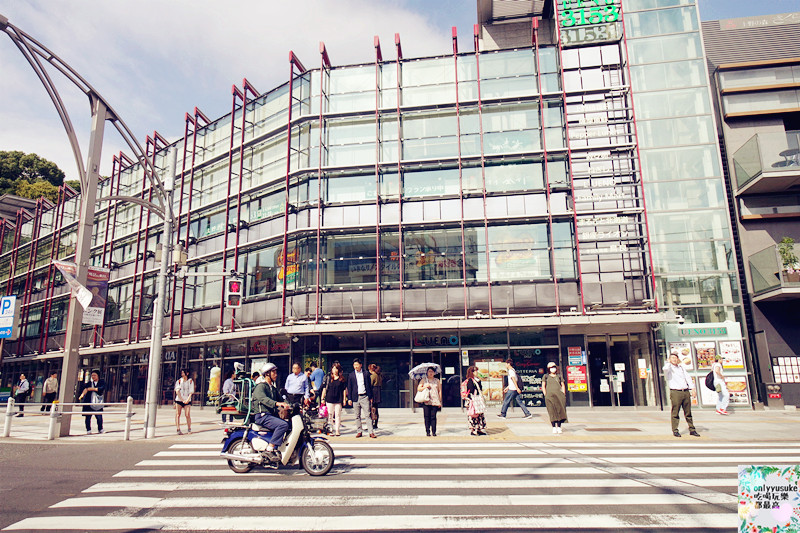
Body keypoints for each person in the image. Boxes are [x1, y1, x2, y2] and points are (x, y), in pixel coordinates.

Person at [252, 362, 291, 460]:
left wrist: (290, 405)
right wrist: (277, 404)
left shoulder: (272, 388)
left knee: (290, 425)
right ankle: (270, 449)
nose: (276, 374)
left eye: (275, 372)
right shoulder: (261, 387)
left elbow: (282, 400)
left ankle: (280, 448)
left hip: (270, 416)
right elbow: (264, 399)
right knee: (283, 425)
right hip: (262, 415)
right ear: (267, 374)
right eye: (273, 372)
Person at [663, 353, 700, 437]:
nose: (674, 359)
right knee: (675, 412)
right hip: (676, 392)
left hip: (685, 391)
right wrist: (668, 362)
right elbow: (665, 368)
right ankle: (675, 430)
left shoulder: (681, 368)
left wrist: (692, 389)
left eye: (675, 358)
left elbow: (688, 378)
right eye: (672, 358)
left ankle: (692, 429)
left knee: (688, 412)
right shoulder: (669, 368)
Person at [346, 358, 376, 438]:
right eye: (354, 365)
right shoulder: (351, 375)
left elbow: (369, 386)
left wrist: (370, 397)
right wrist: (349, 398)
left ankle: (371, 432)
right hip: (355, 397)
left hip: (364, 396)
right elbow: (349, 387)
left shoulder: (366, 374)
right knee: (357, 415)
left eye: (357, 365)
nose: (355, 366)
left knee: (367, 414)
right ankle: (359, 431)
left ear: (360, 365)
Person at [321, 362, 346, 436]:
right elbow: (325, 388)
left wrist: (344, 399)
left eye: (336, 368)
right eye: (333, 368)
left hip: (338, 399)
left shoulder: (342, 379)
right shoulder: (329, 378)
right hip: (329, 399)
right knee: (330, 415)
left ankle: (337, 430)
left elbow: (344, 389)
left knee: (338, 415)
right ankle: (330, 430)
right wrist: (322, 398)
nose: (335, 370)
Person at [542, 362, 568, 434]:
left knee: (560, 411)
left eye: (554, 367)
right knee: (551, 411)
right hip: (549, 397)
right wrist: (545, 394)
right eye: (551, 367)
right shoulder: (546, 376)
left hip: (559, 396)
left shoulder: (559, 376)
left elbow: (563, 385)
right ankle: (553, 427)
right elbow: (543, 385)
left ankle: (559, 427)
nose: (553, 369)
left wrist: (563, 393)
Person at [417, 366, 442, 437]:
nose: (430, 373)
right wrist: (425, 386)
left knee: (433, 417)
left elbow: (439, 391)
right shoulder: (424, 380)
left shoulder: (437, 380)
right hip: (426, 401)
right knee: (427, 417)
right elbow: (419, 388)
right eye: (429, 371)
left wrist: (440, 401)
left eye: (432, 371)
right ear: (427, 372)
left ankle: (434, 431)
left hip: (435, 401)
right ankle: (427, 431)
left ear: (434, 373)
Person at [465, 366, 486, 436]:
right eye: (475, 371)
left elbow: (480, 388)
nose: (477, 372)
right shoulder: (470, 380)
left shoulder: (477, 380)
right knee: (473, 414)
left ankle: (479, 429)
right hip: (472, 400)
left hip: (477, 400)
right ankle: (473, 430)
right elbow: (470, 390)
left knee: (479, 414)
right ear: (472, 372)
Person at [174, 369, 195, 434]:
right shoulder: (179, 381)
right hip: (179, 400)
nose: (182, 374)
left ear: (187, 373)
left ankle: (189, 429)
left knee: (187, 414)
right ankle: (178, 429)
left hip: (187, 399)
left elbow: (191, 392)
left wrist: (188, 399)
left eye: (183, 373)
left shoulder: (190, 381)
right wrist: (182, 400)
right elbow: (177, 391)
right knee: (178, 414)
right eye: (182, 373)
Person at [368, 364, 382, 430]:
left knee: (372, 409)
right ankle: (375, 423)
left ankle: (372, 423)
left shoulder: (373, 376)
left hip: (373, 392)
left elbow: (370, 384)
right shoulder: (379, 375)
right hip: (378, 392)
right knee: (376, 408)